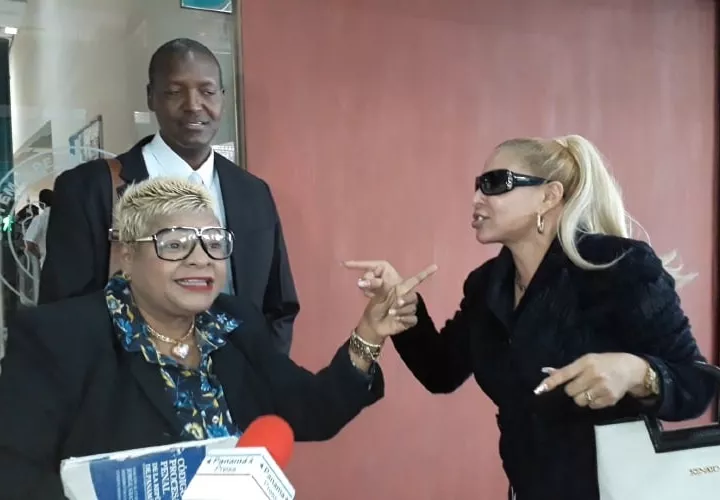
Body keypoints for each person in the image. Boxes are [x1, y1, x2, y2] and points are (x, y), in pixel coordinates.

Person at [0, 177, 437, 499]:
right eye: (175, 244)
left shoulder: (234, 323)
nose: (201, 259)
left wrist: (368, 334)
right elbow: (15, 478)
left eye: (213, 241)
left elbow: (311, 412)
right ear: (128, 256)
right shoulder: (58, 337)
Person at [345, 135, 715, 500]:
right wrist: (401, 305)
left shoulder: (619, 266)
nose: (476, 198)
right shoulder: (486, 286)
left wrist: (636, 372)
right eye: (477, 185)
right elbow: (440, 372)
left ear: (549, 196)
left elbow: (696, 381)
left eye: (495, 183)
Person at [39, 38, 299, 354]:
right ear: (151, 97)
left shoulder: (253, 193)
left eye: (207, 91)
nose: (194, 105)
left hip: (238, 380)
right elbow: (61, 313)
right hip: (127, 380)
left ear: (222, 97)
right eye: (175, 92)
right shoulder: (88, 189)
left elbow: (279, 306)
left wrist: (262, 373)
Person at [24, 189, 53, 266]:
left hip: (47, 263)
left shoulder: (40, 219)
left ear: (41, 203)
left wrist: (39, 256)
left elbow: (29, 244)